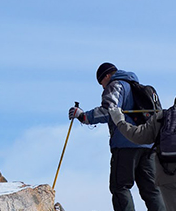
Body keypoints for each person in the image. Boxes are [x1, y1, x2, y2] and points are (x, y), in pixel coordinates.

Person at [68, 62, 165, 211]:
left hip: (125, 144)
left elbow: (109, 111)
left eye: (102, 83)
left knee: (120, 186)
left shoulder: (116, 85)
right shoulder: (139, 87)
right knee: (151, 189)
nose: (102, 87)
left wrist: (83, 116)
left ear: (107, 76)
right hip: (148, 144)